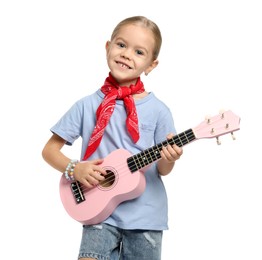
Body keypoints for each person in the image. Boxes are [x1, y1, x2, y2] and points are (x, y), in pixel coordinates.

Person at [42, 15, 183, 260]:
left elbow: (163, 169)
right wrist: (74, 168)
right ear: (108, 47)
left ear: (151, 65)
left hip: (146, 217)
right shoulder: (86, 106)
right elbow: (49, 151)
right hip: (98, 210)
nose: (127, 54)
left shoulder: (159, 110)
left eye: (139, 52)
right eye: (121, 45)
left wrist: (170, 158)